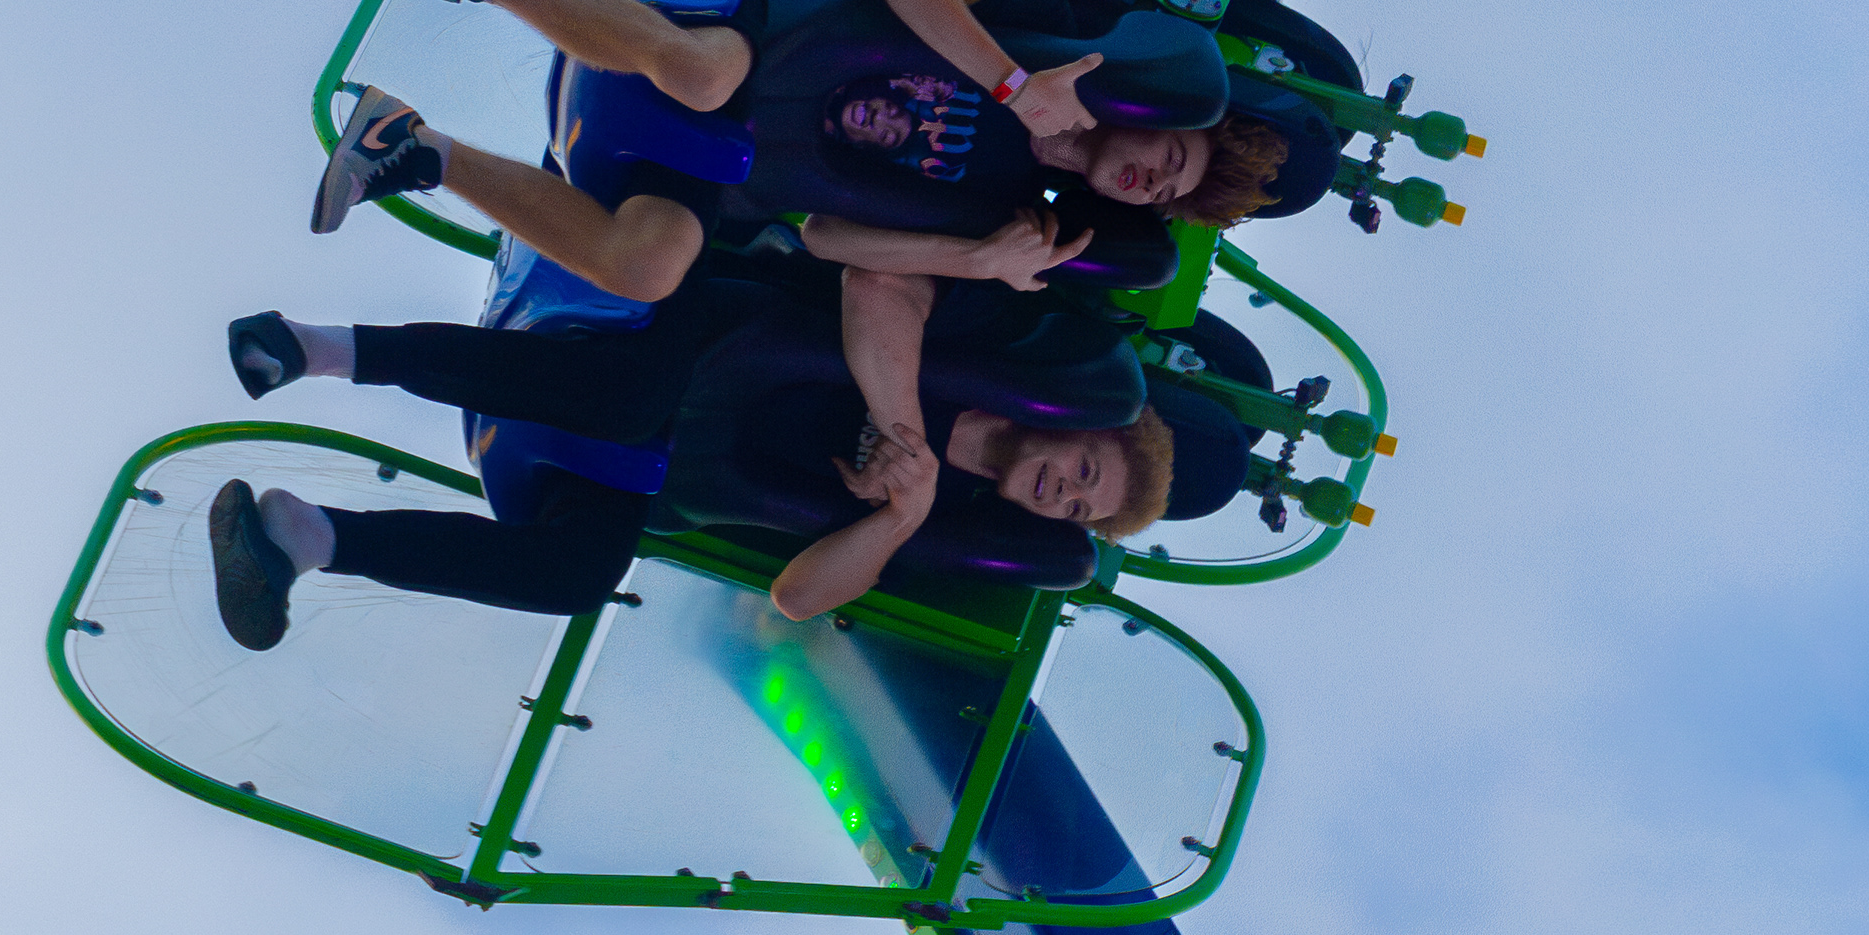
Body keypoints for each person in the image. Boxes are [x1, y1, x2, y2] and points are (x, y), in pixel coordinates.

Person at [201, 268, 1210, 649]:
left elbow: (801, 598)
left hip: (669, 465)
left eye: (1078, 510)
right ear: (1082, 425)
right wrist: (901, 424)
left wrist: (898, 514)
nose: (1064, 491)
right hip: (713, 334)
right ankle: (316, 345)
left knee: (576, 578)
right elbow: (877, 287)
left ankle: (306, 539)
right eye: (1087, 470)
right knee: (630, 394)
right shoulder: (999, 353)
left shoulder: (946, 519)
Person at [313, 0, 1290, 302]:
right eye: (1172, 153)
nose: (1156, 177)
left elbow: (825, 235)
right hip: (764, 25)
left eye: (1169, 192)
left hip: (735, 164)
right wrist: (1008, 83)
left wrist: (981, 260)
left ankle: (415, 147)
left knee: (648, 268)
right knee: (698, 75)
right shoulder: (1047, 28)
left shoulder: (1017, 212)